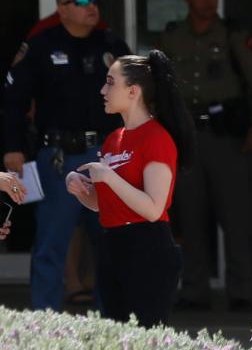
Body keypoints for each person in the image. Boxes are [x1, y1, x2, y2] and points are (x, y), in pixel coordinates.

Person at [3, 0, 131, 311]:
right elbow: (14, 100)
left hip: (107, 156)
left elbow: (140, 98)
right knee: (51, 243)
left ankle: (114, 323)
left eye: (95, 0)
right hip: (60, 157)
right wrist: (12, 147)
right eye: (83, 1)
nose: (93, 7)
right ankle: (44, 323)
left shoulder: (111, 45)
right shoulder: (41, 46)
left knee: (111, 241)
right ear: (62, 9)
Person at [160, 0, 252, 312]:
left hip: (225, 136)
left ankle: (241, 289)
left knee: (235, 214)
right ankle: (194, 288)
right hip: (186, 137)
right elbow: (160, 89)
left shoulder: (233, 35)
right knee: (189, 214)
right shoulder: (171, 37)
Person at [64, 52, 192, 328]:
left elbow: (153, 208)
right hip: (113, 243)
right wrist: (82, 190)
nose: (103, 90)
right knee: (118, 341)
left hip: (147, 246)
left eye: (110, 83)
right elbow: (105, 205)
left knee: (144, 341)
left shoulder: (156, 137)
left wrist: (109, 177)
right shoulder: (113, 140)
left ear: (133, 91)